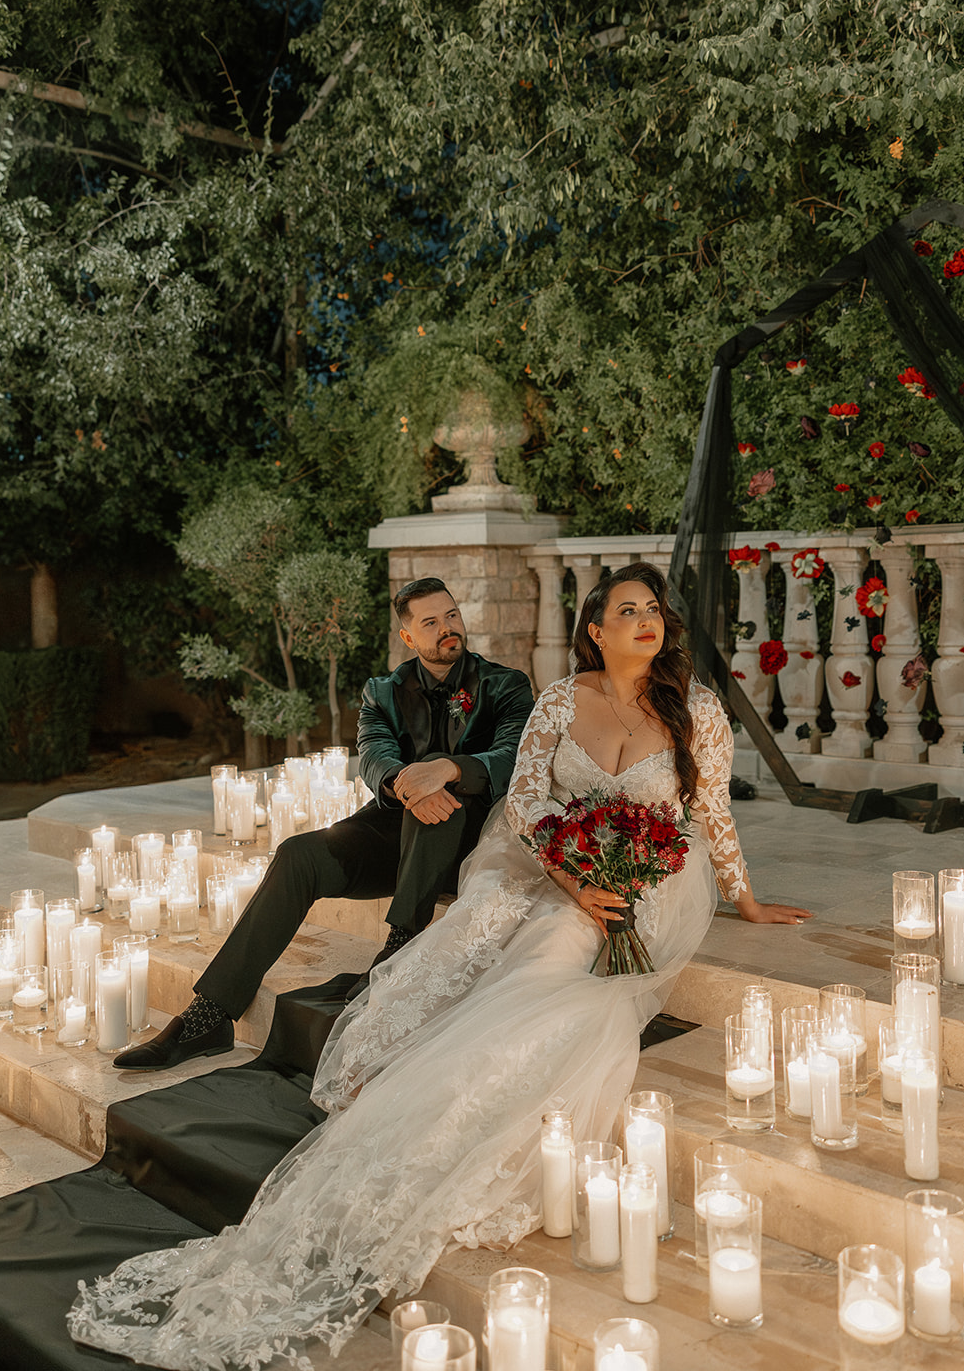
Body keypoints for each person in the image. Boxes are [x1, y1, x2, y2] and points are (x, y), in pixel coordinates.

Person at [70, 562, 811, 1368]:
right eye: (625, 610)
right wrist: (551, 858)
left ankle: (451, 1042)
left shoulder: (627, 699)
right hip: (489, 844)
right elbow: (502, 796)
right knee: (318, 860)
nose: (646, 619)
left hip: (631, 866)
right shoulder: (454, 695)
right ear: (593, 630)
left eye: (653, 609)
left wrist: (742, 899)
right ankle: (213, 1013)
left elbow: (706, 811)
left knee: (546, 953)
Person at [116, 577, 536, 1072]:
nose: (448, 628)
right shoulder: (382, 692)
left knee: (443, 798)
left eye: (452, 616)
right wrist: (407, 783)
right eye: (431, 622)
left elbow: (514, 754)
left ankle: (398, 950)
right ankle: (209, 1016)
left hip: (466, 846)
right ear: (408, 637)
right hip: (391, 836)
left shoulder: (505, 684)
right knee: (298, 854)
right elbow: (375, 756)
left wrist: (447, 769)